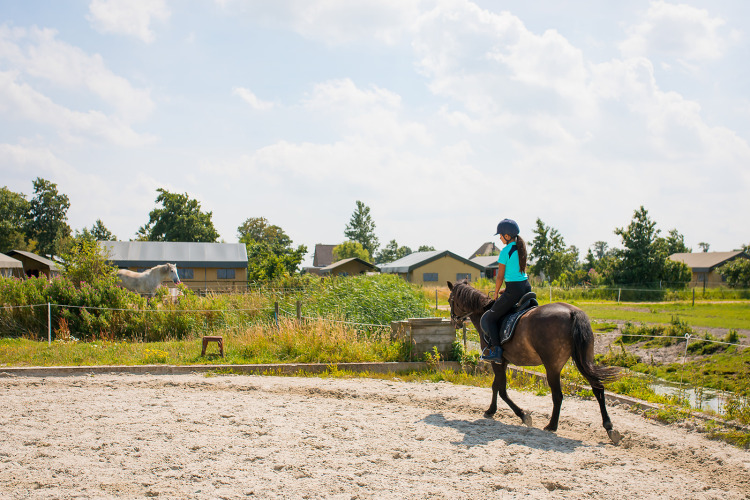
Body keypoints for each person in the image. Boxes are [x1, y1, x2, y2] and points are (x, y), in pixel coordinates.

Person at [480, 218, 531, 362]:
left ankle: (496, 351)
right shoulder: (522, 248)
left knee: (490, 318)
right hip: (525, 287)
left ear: (507, 236)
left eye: (501, 235)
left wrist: (496, 292)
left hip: (514, 290)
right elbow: (517, 274)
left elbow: (500, 276)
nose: (500, 238)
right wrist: (507, 289)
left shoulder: (505, 251)